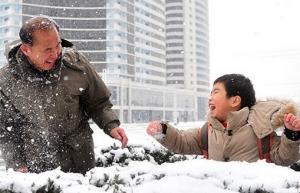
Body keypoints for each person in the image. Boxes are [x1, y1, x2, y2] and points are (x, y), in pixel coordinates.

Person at [0, 16, 128, 174]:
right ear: (26, 50)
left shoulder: (76, 65)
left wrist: (111, 125)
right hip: (37, 168)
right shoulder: (6, 81)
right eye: (47, 49)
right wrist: (16, 162)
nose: (55, 53)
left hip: (79, 161)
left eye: (58, 45)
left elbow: (98, 102)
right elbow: (5, 129)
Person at [147, 74, 300, 166]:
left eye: (216, 92)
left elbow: (284, 158)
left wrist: (291, 135)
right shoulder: (207, 131)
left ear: (234, 101)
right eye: (210, 93)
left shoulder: (260, 130)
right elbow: (181, 141)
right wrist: (163, 131)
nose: (210, 98)